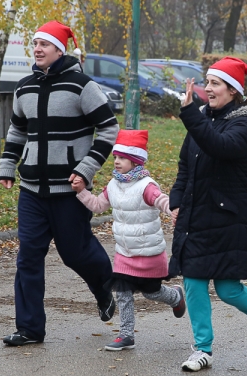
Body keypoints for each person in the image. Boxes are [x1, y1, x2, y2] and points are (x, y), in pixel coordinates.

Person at [0, 20, 119, 346]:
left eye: (44, 44)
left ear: (59, 50)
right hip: (32, 190)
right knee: (28, 258)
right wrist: (8, 165)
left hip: (70, 191)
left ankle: (105, 288)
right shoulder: (24, 87)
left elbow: (109, 129)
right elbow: (17, 131)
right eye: (35, 43)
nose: (37, 49)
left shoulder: (82, 86)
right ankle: (29, 329)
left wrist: (87, 169)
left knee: (75, 253)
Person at [169, 57, 247, 372]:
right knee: (193, 280)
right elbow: (186, 164)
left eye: (215, 83)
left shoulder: (244, 123)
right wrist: (176, 200)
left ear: (232, 90)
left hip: (228, 216)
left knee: (228, 288)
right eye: (207, 82)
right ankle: (202, 349)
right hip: (197, 215)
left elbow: (220, 146)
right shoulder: (202, 119)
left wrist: (190, 114)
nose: (208, 89)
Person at [71, 130, 186, 351]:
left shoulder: (146, 185)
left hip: (149, 252)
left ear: (135, 161)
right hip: (125, 252)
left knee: (152, 292)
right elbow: (98, 205)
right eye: (115, 158)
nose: (116, 162)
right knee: (122, 292)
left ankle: (175, 297)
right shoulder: (113, 186)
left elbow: (160, 200)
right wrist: (82, 191)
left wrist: (173, 209)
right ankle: (126, 335)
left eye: (122, 158)